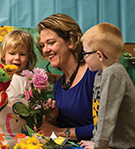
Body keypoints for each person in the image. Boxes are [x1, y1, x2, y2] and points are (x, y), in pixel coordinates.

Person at [79, 23, 135, 149]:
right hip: (112, 148)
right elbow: (97, 112)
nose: (84, 58)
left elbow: (106, 112)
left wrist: (98, 144)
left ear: (99, 55)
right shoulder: (100, 75)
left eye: (85, 54)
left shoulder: (113, 73)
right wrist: (95, 140)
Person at [36, 13, 97, 141]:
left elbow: (106, 127)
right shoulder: (59, 85)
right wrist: (51, 121)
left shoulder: (93, 73)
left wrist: (59, 131)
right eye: (42, 46)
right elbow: (68, 130)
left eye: (51, 43)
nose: (45, 50)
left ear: (71, 41)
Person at [0, 29, 37, 137]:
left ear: (29, 57)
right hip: (1, 134)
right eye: (12, 53)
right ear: (3, 55)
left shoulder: (33, 78)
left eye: (22, 54)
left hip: (27, 136)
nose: (17, 58)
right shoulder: (0, 78)